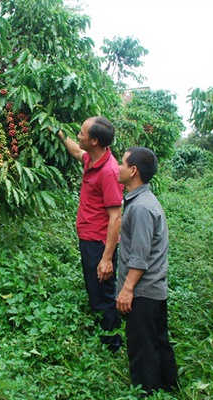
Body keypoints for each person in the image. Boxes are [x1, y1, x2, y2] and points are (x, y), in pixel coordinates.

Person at [56, 116, 124, 351]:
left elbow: (116, 217)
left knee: (103, 294)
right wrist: (60, 134)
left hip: (99, 242)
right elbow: (77, 152)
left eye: (82, 133)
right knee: (95, 290)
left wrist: (106, 258)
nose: (79, 135)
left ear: (94, 140)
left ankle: (112, 344)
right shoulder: (92, 159)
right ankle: (105, 335)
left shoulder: (109, 172)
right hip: (89, 238)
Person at [116, 147, 178, 395]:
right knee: (157, 340)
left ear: (133, 171)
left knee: (143, 346)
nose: (118, 168)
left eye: (122, 163)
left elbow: (140, 257)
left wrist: (127, 289)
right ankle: (169, 387)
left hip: (143, 291)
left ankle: (147, 396)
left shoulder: (141, 207)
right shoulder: (142, 201)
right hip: (153, 289)